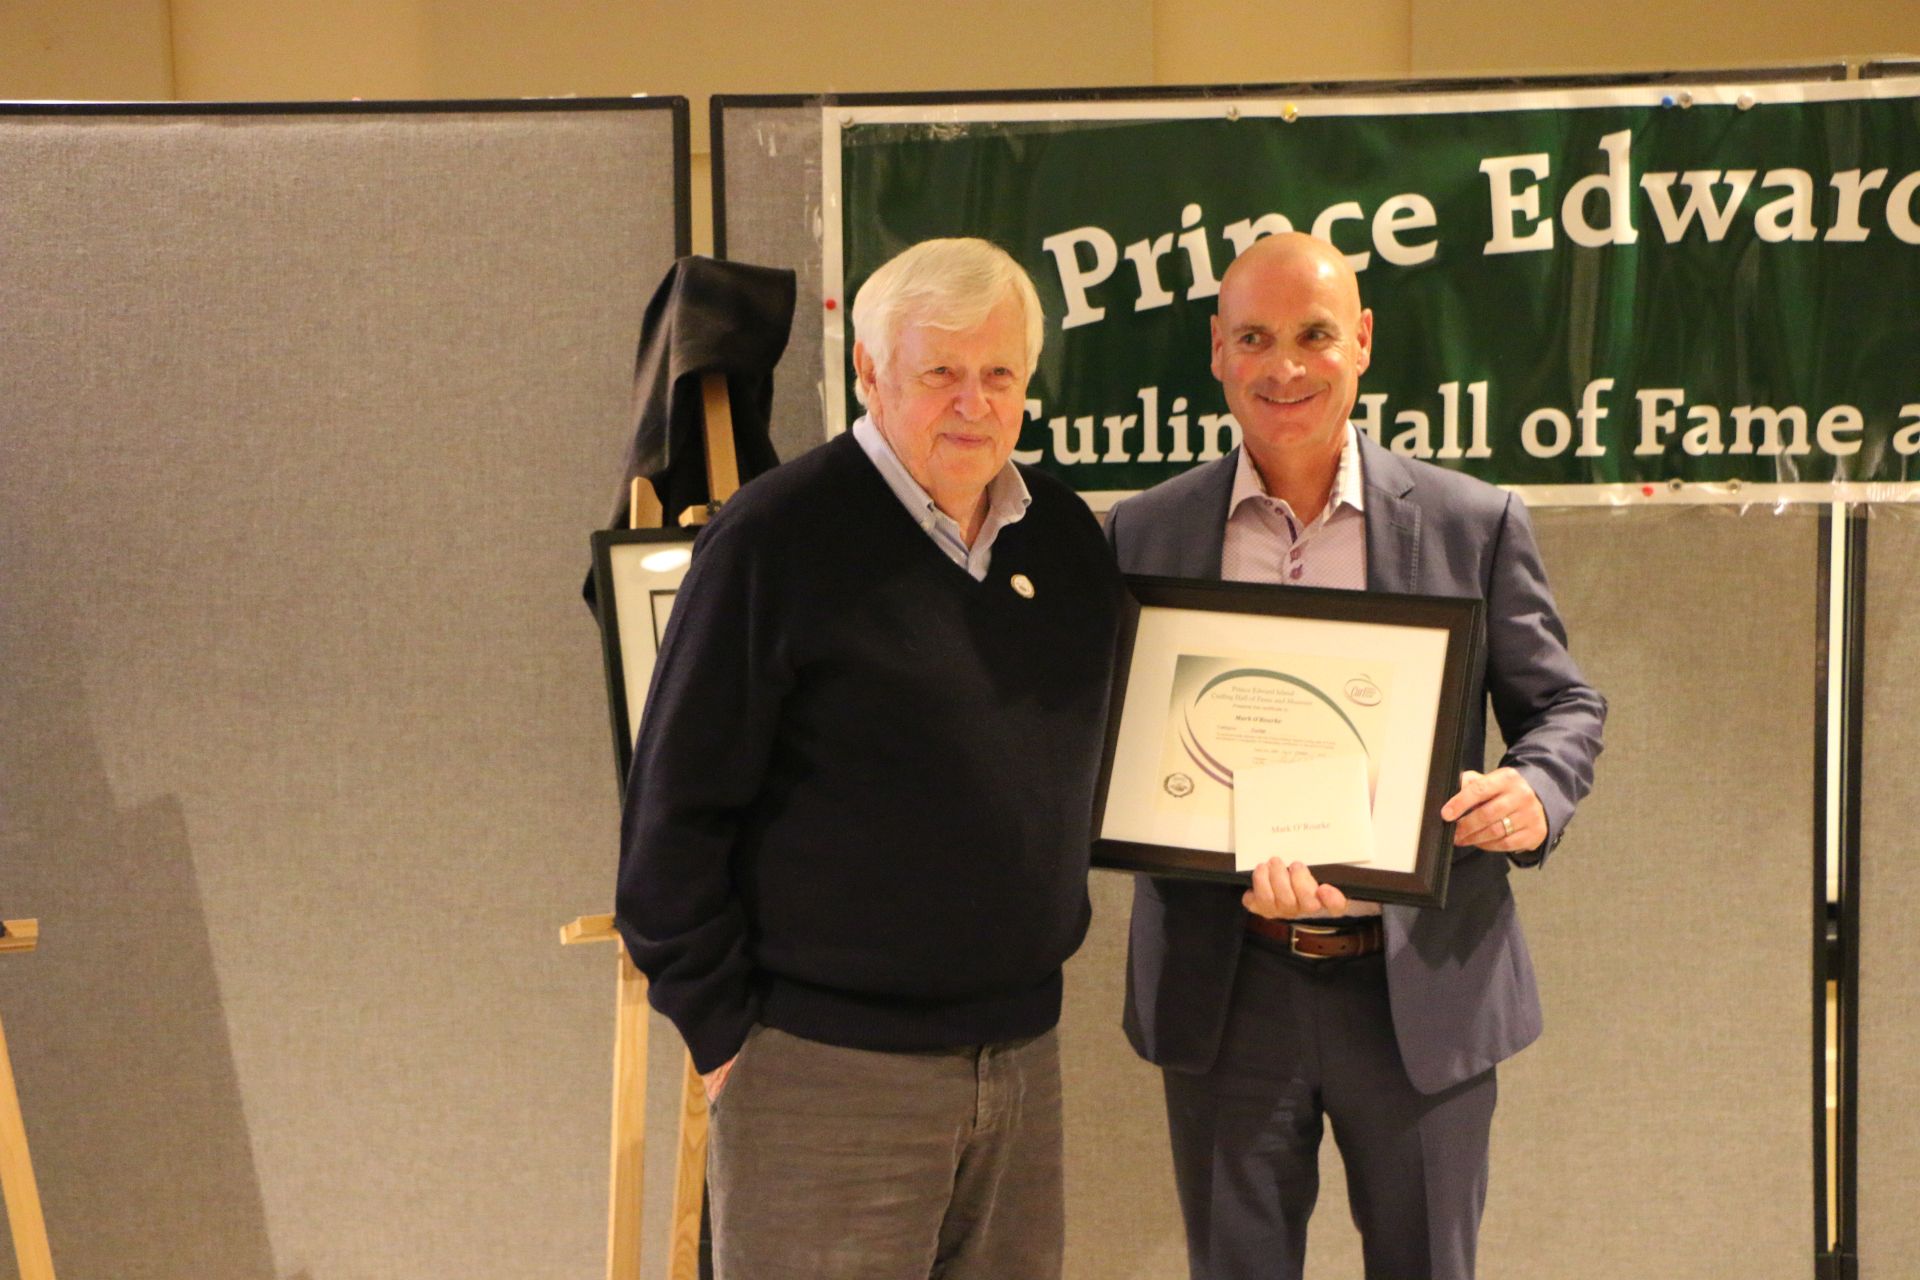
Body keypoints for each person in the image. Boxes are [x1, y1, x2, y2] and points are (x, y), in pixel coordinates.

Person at [615, 237, 1123, 1280]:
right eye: (941, 372)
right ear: (869, 371)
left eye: (1000, 373)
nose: (974, 403)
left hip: (1021, 1060)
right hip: (823, 1072)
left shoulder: (1065, 539)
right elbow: (672, 814)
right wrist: (726, 1039)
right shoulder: (774, 539)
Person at [1104, 232, 1606, 1280]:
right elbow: (1104, 737)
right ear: (1216, 350)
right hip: (1226, 988)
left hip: (1419, 990)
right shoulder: (1144, 533)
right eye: (1254, 338)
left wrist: (1536, 789)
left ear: (1364, 341)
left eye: (1315, 335)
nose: (1284, 367)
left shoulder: (1472, 521)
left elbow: (1562, 703)